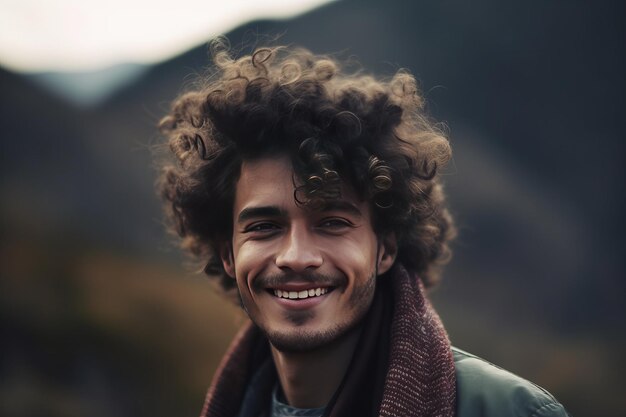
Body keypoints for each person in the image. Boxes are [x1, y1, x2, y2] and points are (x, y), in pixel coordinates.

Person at [157, 43, 569, 417]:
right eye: (264, 227)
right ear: (228, 254)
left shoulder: (510, 410)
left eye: (332, 223)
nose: (296, 256)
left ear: (385, 247)